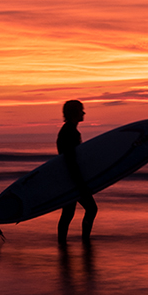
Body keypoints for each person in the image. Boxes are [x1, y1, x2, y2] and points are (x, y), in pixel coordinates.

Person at [56, 100, 97, 245]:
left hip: (68, 179)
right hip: (72, 180)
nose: (83, 113)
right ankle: (85, 242)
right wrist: (81, 184)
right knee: (91, 209)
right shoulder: (70, 132)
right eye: (81, 110)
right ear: (74, 112)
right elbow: (71, 161)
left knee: (68, 213)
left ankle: (62, 244)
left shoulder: (69, 130)